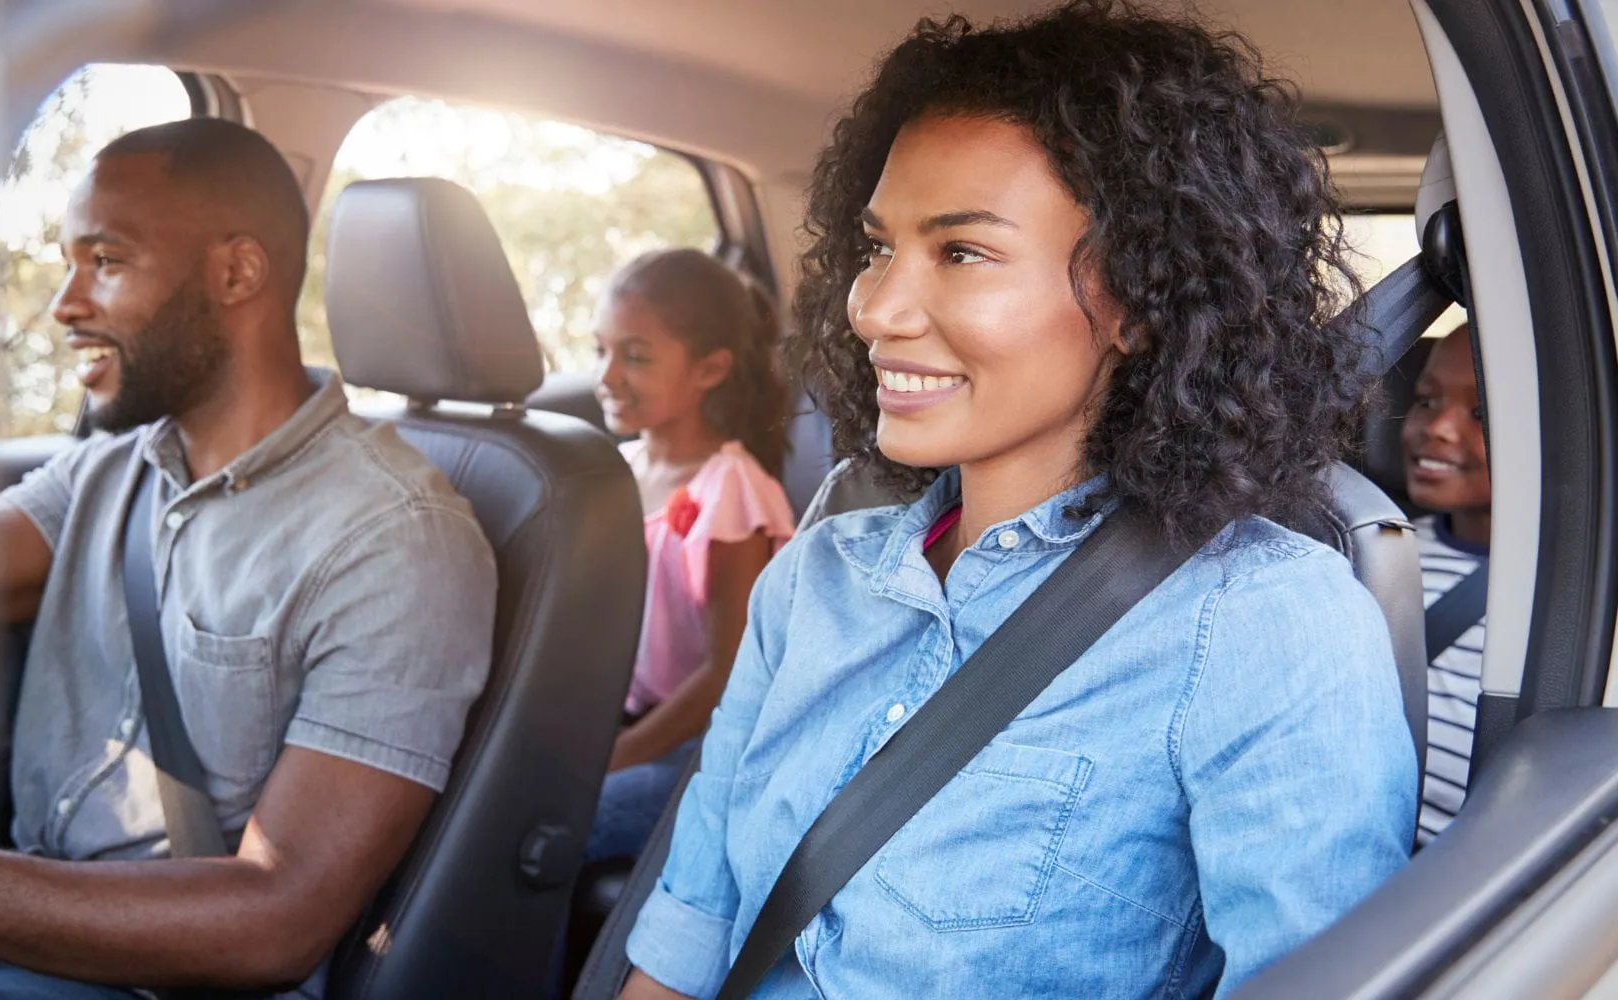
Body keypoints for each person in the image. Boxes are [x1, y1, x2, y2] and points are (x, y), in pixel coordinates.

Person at [619, 4, 1418, 998]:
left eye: (961, 252)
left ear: (1137, 299)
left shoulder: (1261, 622)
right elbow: (692, 926)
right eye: (878, 248)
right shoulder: (814, 578)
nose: (876, 307)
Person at [0, 118, 497, 999]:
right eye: (68, 262)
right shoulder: (114, 466)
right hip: (28, 937)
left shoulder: (396, 539)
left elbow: (273, 918)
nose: (64, 303)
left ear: (236, 273)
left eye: (106, 260)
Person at [587, 249, 797, 863]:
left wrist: (615, 758)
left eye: (636, 356)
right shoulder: (617, 471)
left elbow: (725, 671)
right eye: (601, 350)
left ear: (710, 370)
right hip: (625, 720)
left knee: (552, 818)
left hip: (698, 747)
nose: (606, 375)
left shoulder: (729, 488)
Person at [1401, 327, 1491, 846]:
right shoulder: (1380, 550)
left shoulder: (1577, 599)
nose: (1436, 427)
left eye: (1481, 413)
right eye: (1425, 400)